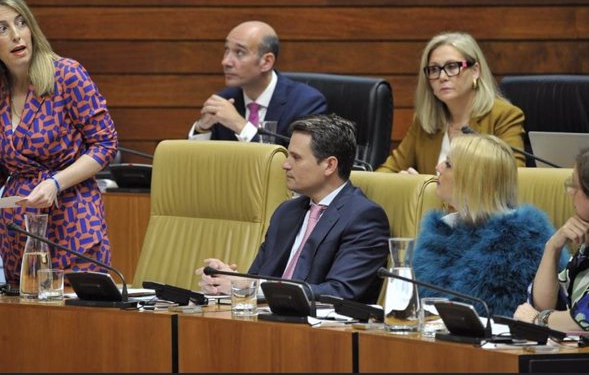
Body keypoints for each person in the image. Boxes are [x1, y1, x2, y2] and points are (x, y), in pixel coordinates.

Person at [0, 0, 118, 288]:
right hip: (19, 229)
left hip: (73, 218)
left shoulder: (67, 75)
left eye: (21, 23)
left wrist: (55, 183)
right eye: (2, 28)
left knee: (77, 322)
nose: (17, 35)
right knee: (24, 325)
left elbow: (105, 144)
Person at [196, 114, 390, 303]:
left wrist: (250, 287)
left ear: (329, 165)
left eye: (296, 158)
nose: (285, 165)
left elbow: (340, 291)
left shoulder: (363, 217)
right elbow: (255, 277)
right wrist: (226, 281)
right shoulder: (286, 212)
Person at [412, 134, 562, 317]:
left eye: (449, 165)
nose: (438, 168)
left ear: (474, 180)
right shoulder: (439, 233)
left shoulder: (526, 239)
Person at [377, 31, 525, 174]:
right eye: (434, 69)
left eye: (452, 67)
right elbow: (387, 172)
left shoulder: (504, 116)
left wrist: (425, 186)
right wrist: (403, 183)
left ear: (475, 71)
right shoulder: (425, 122)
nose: (442, 76)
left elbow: (512, 177)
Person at [514, 142, 589, 335]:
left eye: (574, 186)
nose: (569, 193)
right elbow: (543, 304)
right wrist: (553, 246)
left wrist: (537, 319)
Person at [189, 21, 326, 144]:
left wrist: (240, 125)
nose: (225, 62)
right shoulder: (226, 100)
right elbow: (195, 162)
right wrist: (202, 128)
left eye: (239, 52)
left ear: (266, 62)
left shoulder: (305, 103)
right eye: (227, 50)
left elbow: (295, 163)